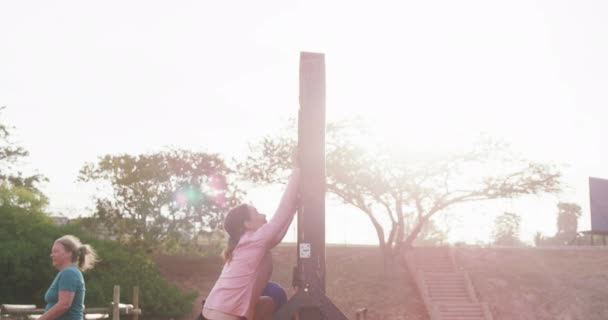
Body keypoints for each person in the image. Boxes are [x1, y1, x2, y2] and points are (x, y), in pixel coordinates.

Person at [202, 164, 300, 320]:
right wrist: (298, 167)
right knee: (267, 303)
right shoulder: (253, 240)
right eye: (257, 213)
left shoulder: (247, 244)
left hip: (209, 314)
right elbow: (283, 211)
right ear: (247, 224)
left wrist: (296, 205)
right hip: (223, 317)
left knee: (267, 303)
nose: (263, 215)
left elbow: (279, 231)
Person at [39, 235, 99, 320]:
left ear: (69, 253)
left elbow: (64, 305)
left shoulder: (69, 273)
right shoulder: (68, 272)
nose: (51, 255)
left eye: (55, 251)